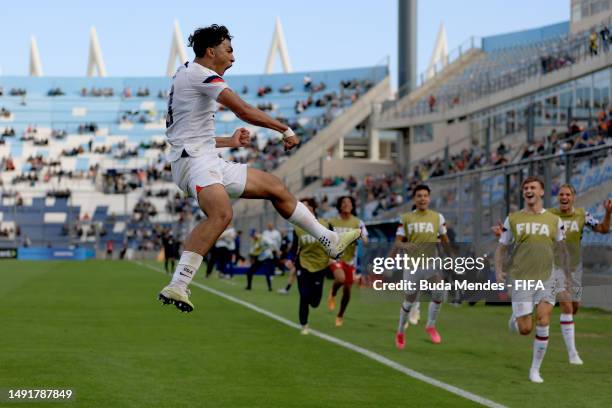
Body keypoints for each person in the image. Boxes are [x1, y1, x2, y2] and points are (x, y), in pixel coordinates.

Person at [158, 25, 361, 312]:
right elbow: (243, 110)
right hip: (194, 162)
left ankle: (329, 239)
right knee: (221, 213)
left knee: (275, 186)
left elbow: (185, 132)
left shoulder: (184, 73)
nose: (233, 57)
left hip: (201, 158)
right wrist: (284, 128)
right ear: (210, 51)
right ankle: (178, 284)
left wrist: (229, 140)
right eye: (229, 50)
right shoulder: (201, 75)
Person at [493, 184, 611, 366]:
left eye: (567, 194)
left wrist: (608, 213)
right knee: (566, 304)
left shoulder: (582, 215)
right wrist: (504, 235)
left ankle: (521, 314)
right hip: (550, 266)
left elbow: (603, 229)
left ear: (573, 197)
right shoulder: (549, 215)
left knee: (574, 306)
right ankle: (573, 353)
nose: (564, 197)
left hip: (573, 267)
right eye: (561, 194)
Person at [495, 176, 568, 384]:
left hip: (548, 276)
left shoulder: (554, 220)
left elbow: (562, 249)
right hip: (521, 278)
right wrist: (499, 271)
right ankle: (516, 319)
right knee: (526, 329)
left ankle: (535, 370)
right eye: (525, 187)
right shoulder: (514, 219)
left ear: (542, 192)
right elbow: (502, 248)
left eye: (533, 187)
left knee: (544, 320)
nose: (529, 190)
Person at [393, 185, 453, 349]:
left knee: (439, 291)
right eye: (419, 196)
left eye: (425, 195)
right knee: (409, 300)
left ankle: (431, 325)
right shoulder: (405, 218)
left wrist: (451, 256)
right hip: (412, 266)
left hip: (431, 263)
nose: (422, 198)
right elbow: (398, 242)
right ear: (414, 199)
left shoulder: (437, 217)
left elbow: (445, 239)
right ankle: (400, 332)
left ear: (429, 198)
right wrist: (405, 246)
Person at [327, 196, 368, 327]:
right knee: (340, 279)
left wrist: (359, 237)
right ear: (339, 206)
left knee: (347, 291)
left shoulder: (358, 222)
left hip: (350, 260)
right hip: (335, 257)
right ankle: (332, 293)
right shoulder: (332, 222)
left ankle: (340, 314)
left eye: (349, 202)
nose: (346, 204)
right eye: (343, 202)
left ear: (352, 206)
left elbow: (366, 240)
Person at [292, 198, 330, 334]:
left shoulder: (325, 224)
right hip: (303, 264)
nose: (306, 209)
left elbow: (333, 242)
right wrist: (290, 260)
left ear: (314, 209)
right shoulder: (297, 227)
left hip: (321, 265)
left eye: (308, 207)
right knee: (304, 295)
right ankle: (304, 324)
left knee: (314, 301)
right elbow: (294, 247)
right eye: (303, 207)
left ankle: (313, 301)